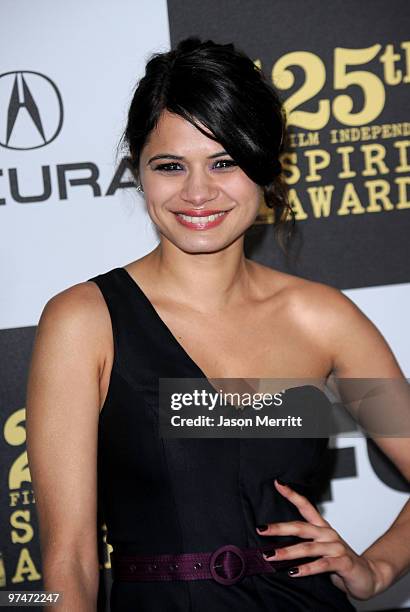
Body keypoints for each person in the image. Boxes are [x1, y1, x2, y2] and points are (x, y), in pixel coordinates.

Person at [26, 37, 410, 612]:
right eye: (171, 166)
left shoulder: (323, 320)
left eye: (225, 161)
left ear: (264, 164)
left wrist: (376, 568)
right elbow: (68, 560)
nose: (198, 192)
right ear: (139, 172)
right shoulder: (85, 321)